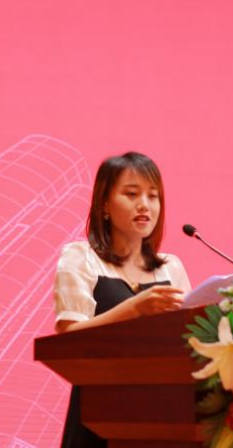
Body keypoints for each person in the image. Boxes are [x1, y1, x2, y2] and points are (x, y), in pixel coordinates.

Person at [53, 151, 192, 448]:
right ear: (105, 204)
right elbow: (68, 338)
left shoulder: (171, 268)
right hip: (97, 414)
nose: (144, 205)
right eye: (131, 194)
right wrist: (134, 308)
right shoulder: (81, 258)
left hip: (160, 415)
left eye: (153, 196)